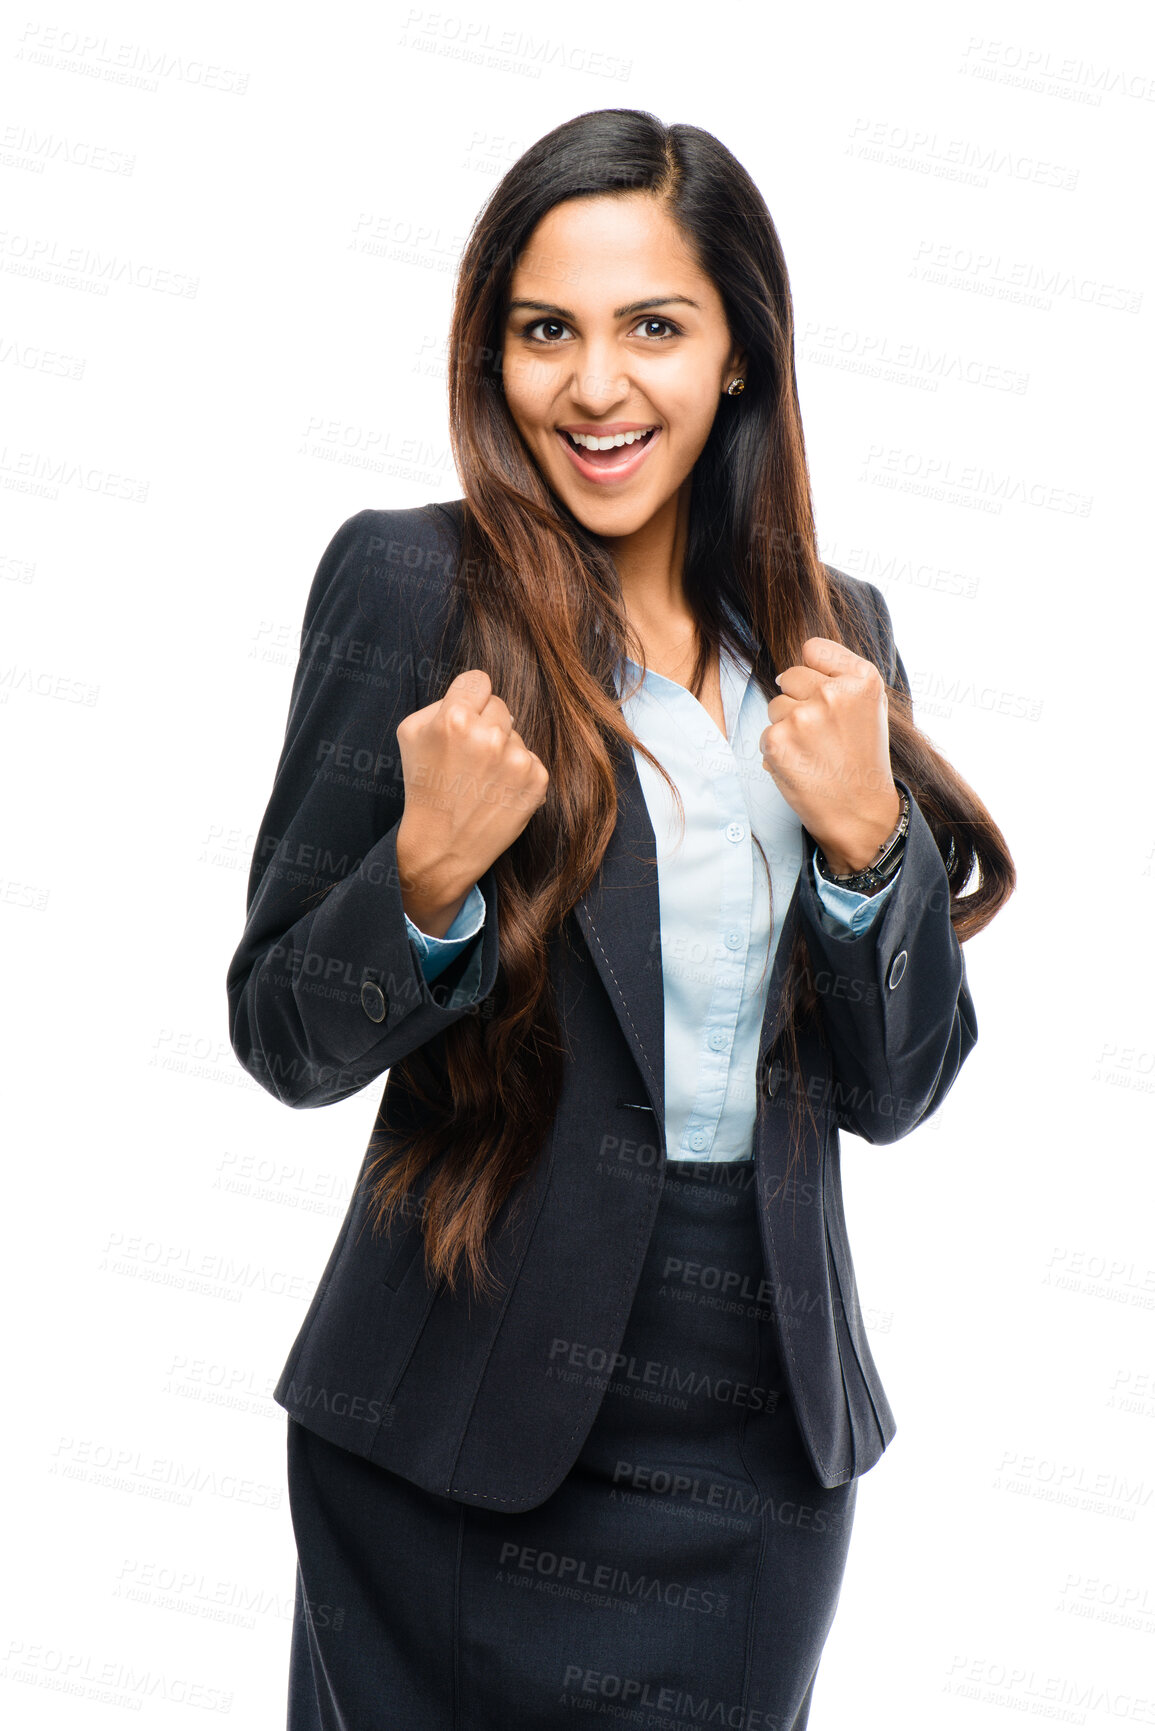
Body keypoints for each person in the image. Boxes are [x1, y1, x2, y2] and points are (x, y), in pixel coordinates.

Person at [227, 109, 1014, 1730]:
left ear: (739, 352)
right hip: (454, 1415)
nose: (595, 388)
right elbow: (281, 1035)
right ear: (492, 353)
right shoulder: (409, 588)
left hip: (758, 1435)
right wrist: (426, 879)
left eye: (654, 325)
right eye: (546, 331)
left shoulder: (835, 637)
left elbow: (901, 1088)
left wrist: (872, 846)